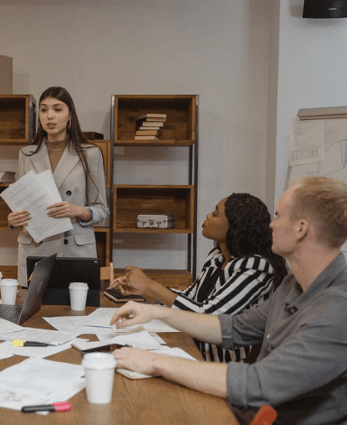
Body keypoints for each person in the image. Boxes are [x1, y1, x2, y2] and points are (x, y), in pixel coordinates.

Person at [110, 176, 347, 425]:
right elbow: (233, 328)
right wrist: (158, 313)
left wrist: (156, 362)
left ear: (301, 228)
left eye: (277, 216)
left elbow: (258, 384)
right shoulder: (293, 285)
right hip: (259, 414)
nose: (271, 225)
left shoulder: (337, 309)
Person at [108, 193, 288, 362]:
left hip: (224, 363)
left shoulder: (256, 266)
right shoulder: (217, 256)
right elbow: (190, 298)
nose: (208, 216)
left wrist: (151, 287)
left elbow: (209, 318)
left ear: (235, 226)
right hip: (194, 347)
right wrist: (145, 293)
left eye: (216, 214)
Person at [7, 86, 109, 285]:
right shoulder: (26, 154)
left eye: (57, 109)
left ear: (70, 115)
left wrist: (75, 210)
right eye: (44, 110)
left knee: (75, 313)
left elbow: (102, 210)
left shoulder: (90, 153)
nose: (49, 116)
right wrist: (13, 219)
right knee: (32, 313)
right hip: (35, 248)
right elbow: (20, 203)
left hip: (74, 248)